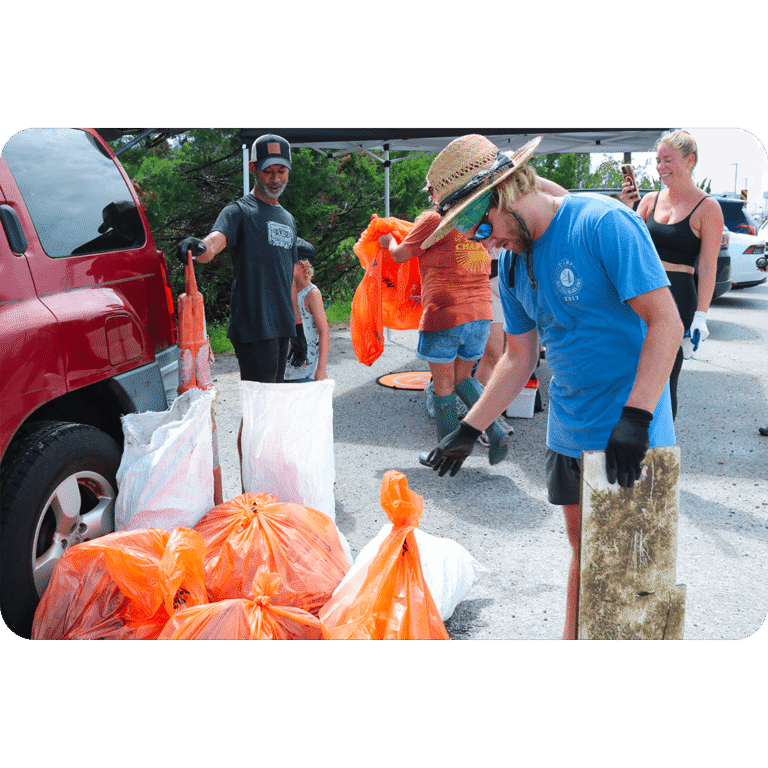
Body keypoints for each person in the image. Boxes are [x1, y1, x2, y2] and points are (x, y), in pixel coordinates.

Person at [421, 134, 683, 639]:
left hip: (629, 433)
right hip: (568, 431)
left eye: (481, 226)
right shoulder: (516, 262)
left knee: (633, 582)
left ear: (502, 194)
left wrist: (637, 419)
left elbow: (666, 325)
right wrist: (470, 429)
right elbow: (520, 358)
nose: (483, 242)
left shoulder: (601, 223)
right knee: (587, 556)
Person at [378, 195, 510, 466]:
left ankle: (447, 453)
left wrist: (387, 241)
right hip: (480, 313)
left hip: (446, 314)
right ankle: (495, 431)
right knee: (464, 378)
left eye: (431, 189)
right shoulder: (480, 221)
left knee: (443, 386)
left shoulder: (433, 220)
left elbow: (401, 255)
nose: (428, 195)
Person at [176, 133, 300, 384]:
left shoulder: (288, 218)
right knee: (259, 409)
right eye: (268, 171)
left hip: (281, 328)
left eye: (281, 171)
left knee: (273, 407)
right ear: (253, 168)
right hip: (254, 327)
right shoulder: (240, 211)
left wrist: (297, 329)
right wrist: (199, 246)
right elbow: (214, 243)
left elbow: (291, 277)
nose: (276, 179)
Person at [620, 130, 724, 420]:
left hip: (679, 297)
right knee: (628, 374)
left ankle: (658, 455)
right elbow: (627, 246)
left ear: (689, 160)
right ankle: (623, 452)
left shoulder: (708, 207)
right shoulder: (649, 200)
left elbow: (707, 266)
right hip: (640, 293)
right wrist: (627, 209)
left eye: (668, 160)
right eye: (657, 160)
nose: (661, 167)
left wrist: (701, 315)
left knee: (664, 380)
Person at [283, 257, 330, 383]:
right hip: (284, 370)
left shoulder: (312, 293)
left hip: (304, 373)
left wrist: (321, 369)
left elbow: (324, 332)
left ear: (302, 266)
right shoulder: (286, 292)